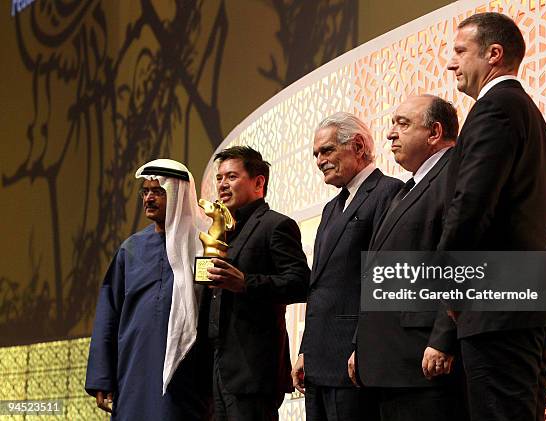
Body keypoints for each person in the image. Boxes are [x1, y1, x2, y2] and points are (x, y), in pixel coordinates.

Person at [441, 12, 546, 421]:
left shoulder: (494, 109)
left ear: (493, 54)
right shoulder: (527, 113)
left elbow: (471, 205)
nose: (452, 63)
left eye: (461, 51)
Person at [354, 95, 467, 421]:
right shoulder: (407, 188)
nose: (390, 133)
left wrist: (444, 338)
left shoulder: (455, 175)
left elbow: (459, 257)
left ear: (434, 132)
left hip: (424, 361)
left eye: (403, 124)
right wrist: (360, 346)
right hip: (391, 363)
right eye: (392, 124)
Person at [291, 112, 402, 421]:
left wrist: (364, 346)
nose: (319, 160)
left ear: (357, 146)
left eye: (326, 150)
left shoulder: (387, 192)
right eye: (316, 153)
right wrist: (305, 351)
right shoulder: (331, 208)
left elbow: (382, 279)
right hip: (319, 362)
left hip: (353, 362)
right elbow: (321, 286)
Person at [85, 159, 214, 420]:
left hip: (188, 373)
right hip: (133, 369)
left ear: (178, 195)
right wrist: (102, 377)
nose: (148, 199)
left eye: (157, 191)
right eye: (145, 192)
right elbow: (108, 315)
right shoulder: (130, 249)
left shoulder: (203, 247)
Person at [202, 146, 310, 421]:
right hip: (216, 365)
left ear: (258, 182)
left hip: (253, 369)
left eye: (231, 177)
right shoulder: (222, 233)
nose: (222, 185)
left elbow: (299, 282)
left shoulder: (276, 225)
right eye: (219, 178)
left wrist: (246, 283)